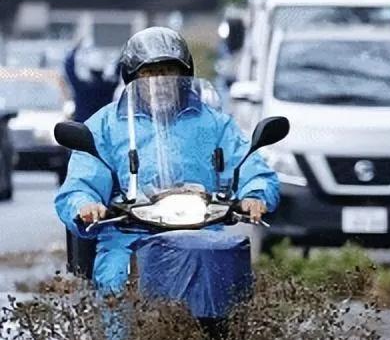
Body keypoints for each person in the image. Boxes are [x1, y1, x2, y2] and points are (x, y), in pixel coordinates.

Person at [54, 27, 279, 295]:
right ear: (132, 78)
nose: (160, 82)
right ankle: (121, 338)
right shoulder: (105, 126)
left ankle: (234, 334)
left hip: (205, 230)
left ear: (185, 76)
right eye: (149, 74)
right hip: (130, 234)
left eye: (169, 72)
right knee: (114, 277)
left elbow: (250, 164)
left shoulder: (216, 124)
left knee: (231, 273)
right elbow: (82, 180)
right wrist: (85, 204)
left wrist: (254, 195)